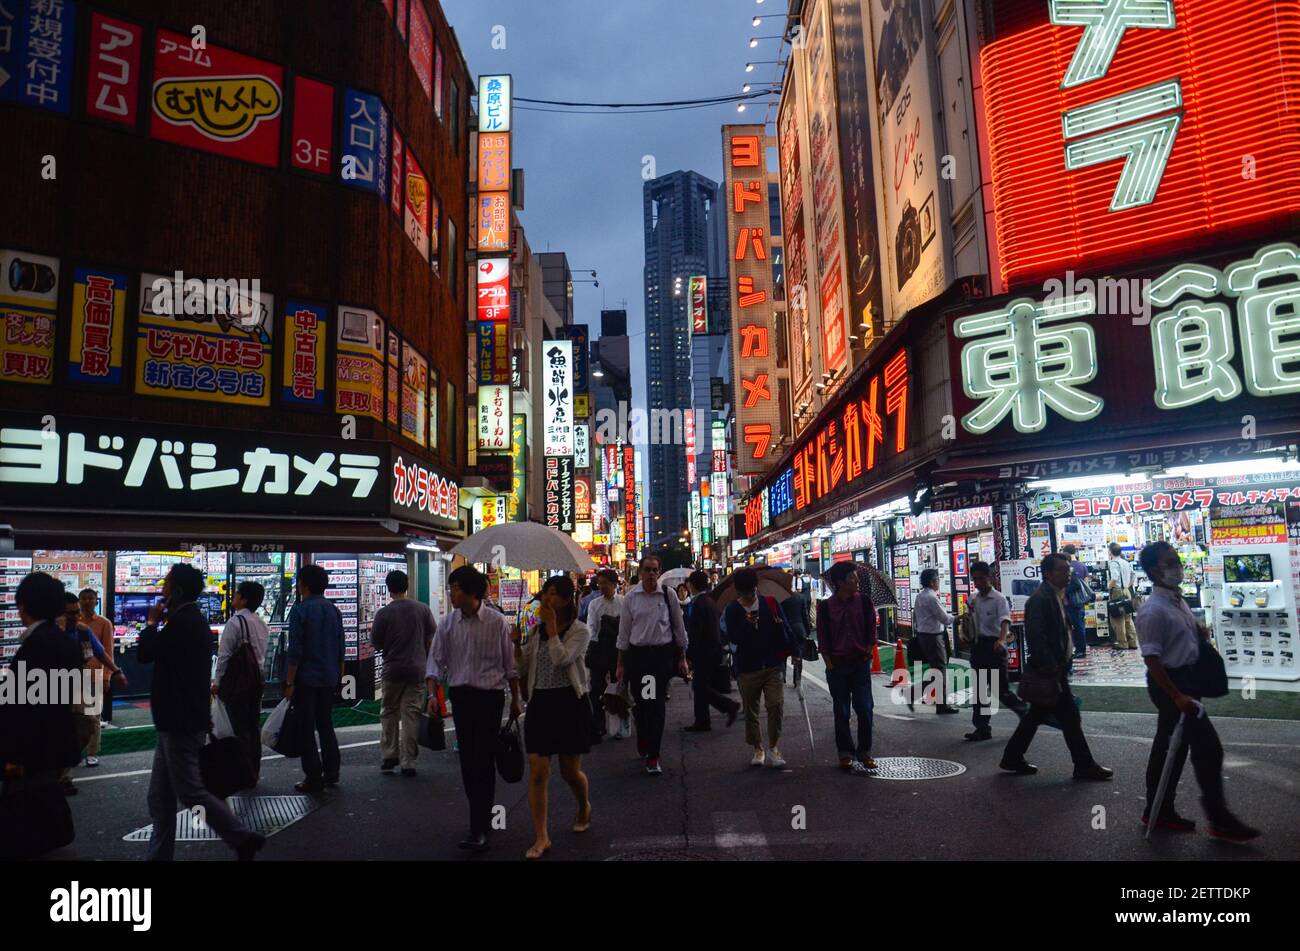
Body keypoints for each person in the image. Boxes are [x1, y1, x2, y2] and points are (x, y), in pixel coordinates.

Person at [139, 564, 265, 861]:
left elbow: (147, 653)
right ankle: (159, 855)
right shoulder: (191, 621)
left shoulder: (182, 622)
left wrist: (150, 623)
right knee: (161, 795)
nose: (163, 589)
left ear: (178, 591)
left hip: (179, 720)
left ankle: (241, 837)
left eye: (167, 585)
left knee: (190, 791)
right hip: (179, 718)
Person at [1136, 543, 1259, 842]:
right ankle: (1219, 819)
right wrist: (1177, 696)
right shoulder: (1152, 610)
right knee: (1207, 749)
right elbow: (1151, 659)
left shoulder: (1177, 601)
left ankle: (1159, 810)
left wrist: (1197, 634)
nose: (1177, 566)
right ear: (1154, 570)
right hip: (1172, 685)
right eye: (1170, 562)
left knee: (1169, 749)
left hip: (1187, 681)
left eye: (1177, 561)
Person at [427, 565, 522, 852]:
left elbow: (510, 666)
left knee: (482, 759)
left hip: (490, 698)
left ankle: (479, 826)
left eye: (454, 588)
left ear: (469, 592)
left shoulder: (496, 622)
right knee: (468, 760)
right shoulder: (446, 624)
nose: (451, 594)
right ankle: (480, 820)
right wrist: (433, 694)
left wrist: (516, 700)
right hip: (462, 698)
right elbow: (436, 661)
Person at [999, 554, 1112, 781]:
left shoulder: (1058, 595)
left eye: (1068, 569)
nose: (1067, 573)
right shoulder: (1040, 599)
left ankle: (1012, 756)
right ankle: (1084, 765)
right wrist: (1052, 668)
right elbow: (1037, 638)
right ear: (1048, 573)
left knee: (1038, 716)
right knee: (1068, 717)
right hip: (1050, 672)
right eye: (1062, 569)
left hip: (1056, 670)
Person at [516, 575, 593, 859]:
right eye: (545, 593)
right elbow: (522, 667)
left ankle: (584, 805)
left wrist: (550, 629)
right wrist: (517, 644)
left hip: (570, 702)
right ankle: (541, 836)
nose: (547, 599)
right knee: (538, 768)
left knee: (569, 771)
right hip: (541, 702)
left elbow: (562, 659)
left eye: (553, 594)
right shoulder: (536, 631)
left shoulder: (580, 630)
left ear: (566, 598)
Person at [0, 573, 84, 804]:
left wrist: (14, 756)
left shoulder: (36, 644)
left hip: (33, 752)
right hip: (56, 746)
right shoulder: (66, 642)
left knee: (27, 819)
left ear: (23, 605)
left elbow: (24, 708)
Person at [615, 555, 689, 775]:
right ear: (640, 573)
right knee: (642, 704)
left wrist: (683, 657)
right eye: (647, 570)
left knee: (655, 704)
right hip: (638, 658)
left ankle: (653, 754)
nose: (651, 574)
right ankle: (644, 739)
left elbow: (679, 627)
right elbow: (624, 632)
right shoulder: (631, 598)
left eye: (655, 570)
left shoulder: (668, 595)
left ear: (659, 572)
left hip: (660, 658)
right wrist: (620, 664)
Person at [285, 563, 345, 794]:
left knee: (306, 728)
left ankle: (313, 776)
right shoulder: (333, 610)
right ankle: (332, 772)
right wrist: (338, 677)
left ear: (305, 585)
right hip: (328, 677)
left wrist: (289, 682)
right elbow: (341, 647)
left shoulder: (300, 611)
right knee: (326, 724)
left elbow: (295, 651)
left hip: (306, 679)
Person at [723, 567, 791, 768]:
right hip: (747, 667)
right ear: (738, 592)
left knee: (775, 705)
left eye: (752, 592)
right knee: (751, 711)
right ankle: (757, 747)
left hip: (771, 664)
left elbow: (784, 628)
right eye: (745, 594)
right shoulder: (732, 609)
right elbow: (733, 638)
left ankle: (774, 747)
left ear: (756, 587)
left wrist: (793, 649)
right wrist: (746, 624)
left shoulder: (770, 603)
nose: (750, 597)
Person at [371, 569, 436, 778]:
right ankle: (409, 762)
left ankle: (390, 754)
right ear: (407, 586)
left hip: (392, 669)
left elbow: (376, 643)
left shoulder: (383, 614)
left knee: (389, 712)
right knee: (411, 715)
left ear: (389, 589)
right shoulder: (423, 610)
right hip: (417, 669)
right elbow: (430, 637)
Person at [56, 592, 126, 783]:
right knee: (60, 727)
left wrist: (114, 672)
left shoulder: (84, 630)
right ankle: (61, 774)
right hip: (53, 684)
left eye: (76, 612)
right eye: (69, 613)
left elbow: (103, 652)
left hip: (85, 677)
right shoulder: (51, 632)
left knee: (89, 720)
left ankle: (79, 758)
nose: (75, 616)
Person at [817, 562, 877, 773]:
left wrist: (868, 653)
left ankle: (865, 752)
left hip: (860, 664)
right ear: (840, 582)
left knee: (865, 708)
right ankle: (845, 753)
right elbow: (823, 638)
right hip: (838, 666)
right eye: (852, 577)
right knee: (841, 712)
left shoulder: (864, 603)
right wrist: (830, 665)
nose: (856, 581)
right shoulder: (825, 607)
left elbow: (871, 631)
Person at [212, 581, 269, 784]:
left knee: (239, 728)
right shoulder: (261, 623)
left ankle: (243, 773)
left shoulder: (235, 623)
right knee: (253, 727)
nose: (233, 597)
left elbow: (224, 656)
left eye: (236, 594)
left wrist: (217, 681)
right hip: (256, 681)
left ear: (243, 598)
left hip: (238, 684)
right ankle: (253, 770)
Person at [965, 561, 1027, 742]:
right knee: (980, 690)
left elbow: (1005, 621)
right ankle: (982, 728)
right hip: (978, 646)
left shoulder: (999, 599)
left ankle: (1024, 711)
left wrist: (1001, 639)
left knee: (1000, 690)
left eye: (981, 578)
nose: (978, 582)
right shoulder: (973, 598)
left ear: (989, 577)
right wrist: (966, 635)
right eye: (975, 579)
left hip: (995, 647)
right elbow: (970, 621)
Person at [683, 570, 740, 733]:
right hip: (711, 650)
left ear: (691, 585)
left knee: (700, 686)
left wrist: (690, 654)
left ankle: (728, 706)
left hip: (704, 651)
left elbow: (696, 633)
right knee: (700, 686)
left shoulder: (699, 603)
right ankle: (703, 720)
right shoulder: (708, 601)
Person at [909, 568, 960, 714]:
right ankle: (939, 704)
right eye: (937, 579)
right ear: (932, 581)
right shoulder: (931, 597)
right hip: (933, 637)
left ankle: (922, 697)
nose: (938, 582)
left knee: (936, 671)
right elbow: (945, 619)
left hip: (924, 636)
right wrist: (959, 617)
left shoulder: (920, 596)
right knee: (940, 670)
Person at [584, 569, 625, 738]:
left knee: (620, 688)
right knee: (596, 688)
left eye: (605, 584)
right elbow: (591, 627)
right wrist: (591, 646)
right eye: (599, 584)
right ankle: (599, 725)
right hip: (599, 649)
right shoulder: (594, 604)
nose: (601, 587)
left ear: (614, 584)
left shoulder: (624, 602)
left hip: (619, 650)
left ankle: (621, 724)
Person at [77, 589, 116, 730]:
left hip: (96, 676)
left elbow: (108, 652)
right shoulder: (73, 622)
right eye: (84, 598)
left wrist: (107, 677)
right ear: (79, 601)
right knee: (77, 716)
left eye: (91, 598)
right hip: (75, 676)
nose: (87, 601)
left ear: (96, 601)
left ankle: (92, 752)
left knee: (93, 718)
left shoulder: (104, 623)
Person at [1106, 543, 1139, 651]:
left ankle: (1122, 643)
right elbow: (1134, 574)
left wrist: (1108, 586)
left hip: (1117, 591)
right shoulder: (1125, 562)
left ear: (1110, 551)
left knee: (1118, 618)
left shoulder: (1113, 563)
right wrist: (1127, 585)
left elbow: (1114, 577)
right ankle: (1133, 642)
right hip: (1126, 591)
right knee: (1128, 618)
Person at [1061, 544, 1091, 659]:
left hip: (1071, 602)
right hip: (1079, 601)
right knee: (1079, 626)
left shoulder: (1069, 568)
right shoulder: (1082, 566)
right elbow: (1086, 583)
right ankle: (1080, 649)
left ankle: (1079, 650)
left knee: (1074, 626)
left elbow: (1076, 584)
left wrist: (1063, 590)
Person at [781, 581, 812, 684]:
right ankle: (797, 680)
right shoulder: (800, 597)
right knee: (798, 656)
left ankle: (783, 677)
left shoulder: (780, 599)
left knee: (782, 656)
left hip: (784, 631)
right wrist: (807, 630)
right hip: (799, 630)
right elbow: (805, 616)